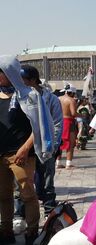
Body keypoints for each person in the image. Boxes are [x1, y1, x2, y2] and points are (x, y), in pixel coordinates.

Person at [0, 55, 55, 245]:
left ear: (9, 73)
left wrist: (25, 148)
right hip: (1, 154)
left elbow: (40, 126)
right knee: (3, 196)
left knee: (27, 195)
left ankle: (31, 234)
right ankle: (5, 232)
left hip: (21, 154)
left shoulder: (29, 95)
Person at [21, 65, 63, 215]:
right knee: (24, 182)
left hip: (46, 146)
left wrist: (52, 146)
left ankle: (49, 212)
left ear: (32, 80)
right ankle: (21, 214)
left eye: (23, 79)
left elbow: (57, 123)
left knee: (46, 182)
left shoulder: (51, 99)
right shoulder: (20, 97)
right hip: (25, 147)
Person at [56, 82, 78, 169]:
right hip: (68, 122)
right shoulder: (71, 100)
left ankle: (58, 162)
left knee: (59, 143)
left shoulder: (58, 98)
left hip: (58, 121)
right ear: (72, 92)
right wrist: (81, 115)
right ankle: (68, 163)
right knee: (70, 143)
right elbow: (73, 113)